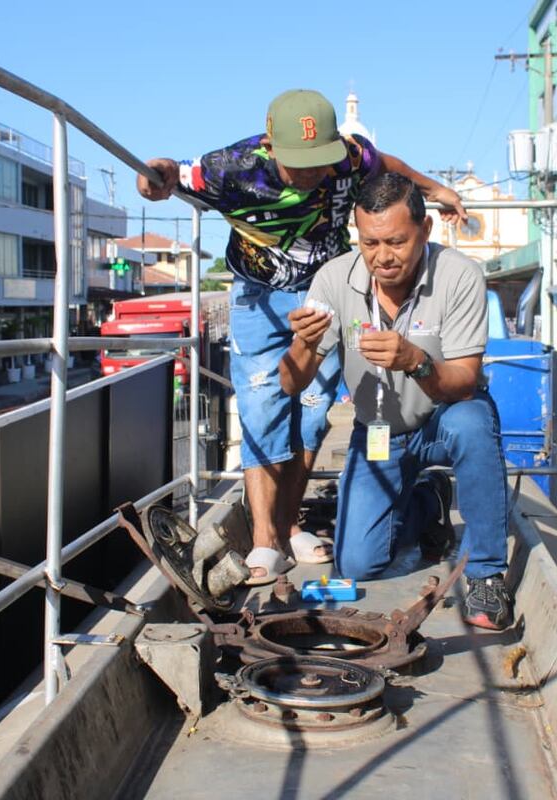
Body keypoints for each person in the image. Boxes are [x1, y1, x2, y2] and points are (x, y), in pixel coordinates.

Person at [139, 89, 467, 585]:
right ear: (271, 144)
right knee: (263, 408)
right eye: (301, 164)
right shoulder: (232, 167)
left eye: (321, 161)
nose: (314, 173)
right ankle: (266, 540)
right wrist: (153, 178)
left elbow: (386, 166)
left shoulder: (344, 156)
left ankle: (289, 527)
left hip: (327, 291)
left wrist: (435, 189)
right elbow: (167, 177)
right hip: (260, 295)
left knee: (313, 413)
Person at [279, 173, 513, 630]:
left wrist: (416, 361)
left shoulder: (459, 275)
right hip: (381, 429)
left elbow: (466, 381)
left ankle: (487, 574)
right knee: (357, 564)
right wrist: (302, 346)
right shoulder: (333, 280)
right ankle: (428, 503)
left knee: (473, 421)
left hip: (443, 418)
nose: (382, 257)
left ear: (424, 232)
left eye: (396, 242)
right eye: (370, 243)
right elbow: (290, 383)